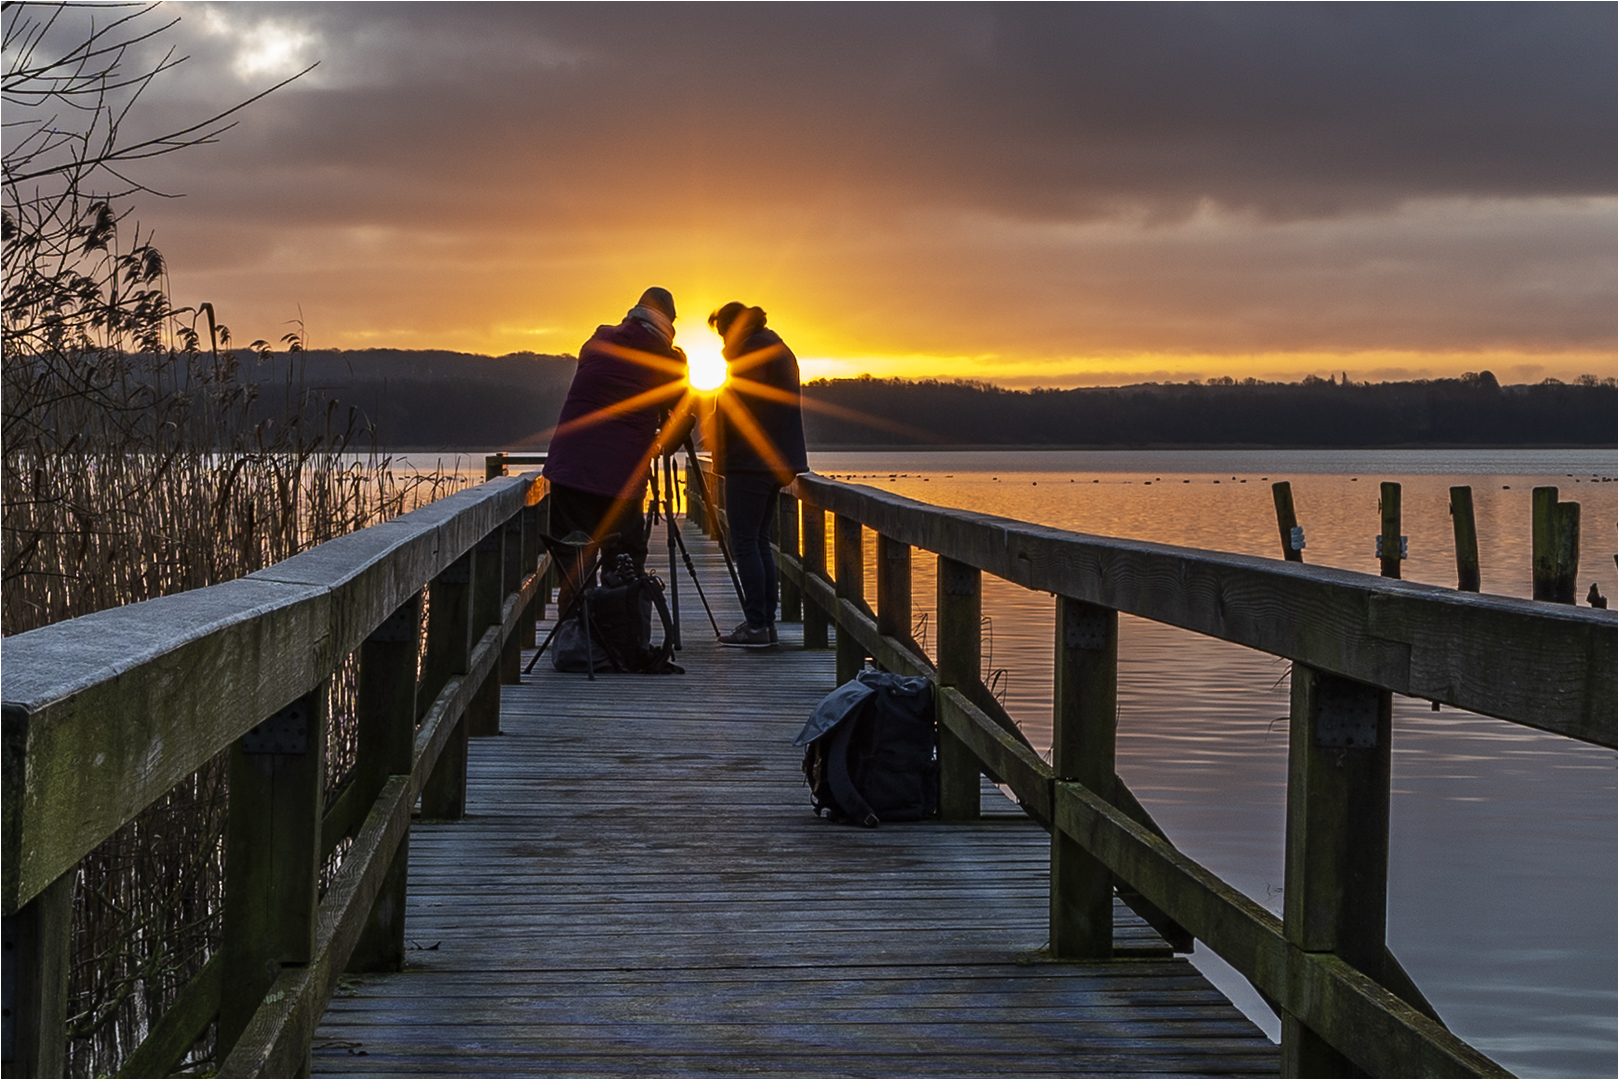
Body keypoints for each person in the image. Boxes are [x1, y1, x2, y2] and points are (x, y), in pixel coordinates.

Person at [544, 287, 690, 607]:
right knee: (624, 559)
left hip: (569, 467)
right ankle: (619, 639)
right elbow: (674, 430)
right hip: (620, 477)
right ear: (670, 321)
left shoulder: (598, 341)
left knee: (571, 555)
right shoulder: (666, 361)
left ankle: (576, 640)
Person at [708, 302, 808, 647]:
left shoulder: (751, 350)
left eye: (722, 333)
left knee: (746, 542)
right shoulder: (774, 346)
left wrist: (715, 426)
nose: (721, 342)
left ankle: (757, 625)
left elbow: (743, 406)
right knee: (759, 540)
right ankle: (765, 623)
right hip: (777, 460)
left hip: (751, 461)